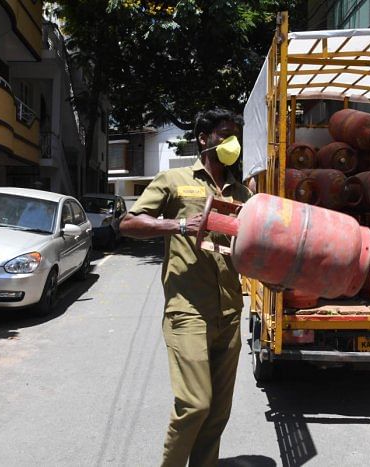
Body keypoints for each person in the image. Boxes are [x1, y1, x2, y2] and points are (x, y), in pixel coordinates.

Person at [120, 108, 251, 467]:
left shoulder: (241, 192)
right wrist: (177, 226)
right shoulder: (174, 179)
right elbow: (128, 223)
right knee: (196, 404)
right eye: (225, 134)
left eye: (235, 135)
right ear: (204, 139)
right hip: (188, 310)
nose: (232, 143)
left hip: (229, 313)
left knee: (217, 413)